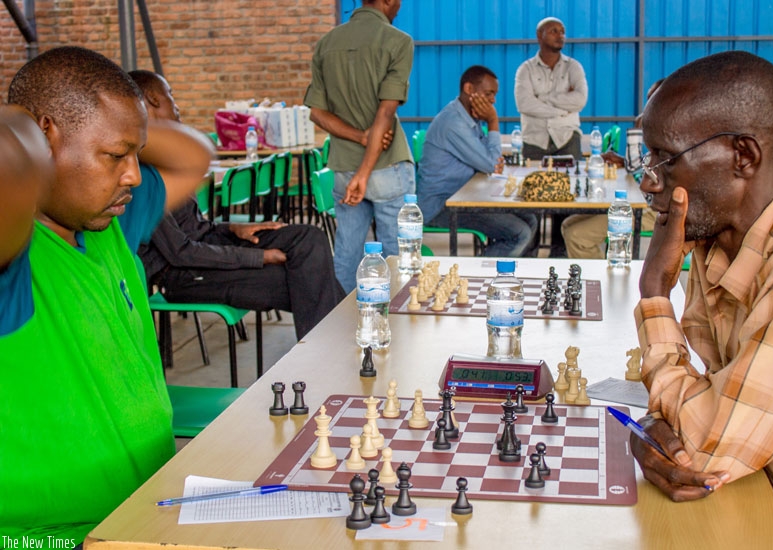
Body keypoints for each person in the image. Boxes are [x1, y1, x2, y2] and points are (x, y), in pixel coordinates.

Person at [0, 46, 213, 546]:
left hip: (148, 512)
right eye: (116, 156)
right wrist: (31, 132)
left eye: (136, 154)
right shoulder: (14, 259)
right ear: (44, 139)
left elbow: (194, 155)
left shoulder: (109, 222)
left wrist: (124, 127)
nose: (134, 175)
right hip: (50, 537)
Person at [631, 50, 773, 549]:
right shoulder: (720, 239)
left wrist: (655, 295)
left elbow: (702, 446)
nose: (649, 181)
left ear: (744, 155)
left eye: (665, 159)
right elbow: (701, 415)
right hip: (768, 495)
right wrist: (655, 428)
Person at [131, 70, 345, 341]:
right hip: (182, 275)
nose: (177, 105)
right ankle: (338, 347)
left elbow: (198, 229)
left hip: (207, 249)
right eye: (170, 96)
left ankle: (340, 342)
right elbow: (181, 253)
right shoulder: (140, 174)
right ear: (151, 100)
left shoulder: (167, 162)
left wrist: (235, 228)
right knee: (300, 280)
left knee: (310, 238)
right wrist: (259, 257)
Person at [304, 0, 415, 293]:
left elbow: (317, 112)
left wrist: (360, 137)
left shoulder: (327, 43)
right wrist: (365, 171)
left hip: (343, 168)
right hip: (386, 167)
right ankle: (398, 330)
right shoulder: (398, 41)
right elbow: (385, 114)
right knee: (397, 257)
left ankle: (336, 328)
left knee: (347, 255)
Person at [416, 65, 538, 257]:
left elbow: (493, 162)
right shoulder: (453, 123)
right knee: (519, 233)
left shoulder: (469, 119)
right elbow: (491, 164)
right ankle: (476, 277)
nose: (493, 100)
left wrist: (492, 161)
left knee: (529, 218)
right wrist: (493, 122)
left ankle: (518, 272)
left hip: (463, 198)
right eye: (489, 93)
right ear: (469, 89)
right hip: (442, 206)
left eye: (494, 95)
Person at [560, 79, 664, 259]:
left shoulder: (671, 135)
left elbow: (638, 167)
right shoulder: (663, 131)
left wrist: (636, 131)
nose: (649, 108)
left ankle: (599, 281)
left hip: (653, 211)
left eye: (654, 102)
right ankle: (595, 267)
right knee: (568, 224)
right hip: (645, 205)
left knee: (576, 235)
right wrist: (624, 161)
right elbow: (647, 169)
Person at [514, 16, 588, 161]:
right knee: (533, 181)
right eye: (554, 31)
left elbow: (580, 100)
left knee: (571, 182)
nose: (560, 36)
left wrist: (542, 98)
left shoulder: (573, 67)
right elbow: (524, 104)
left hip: (567, 139)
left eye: (562, 32)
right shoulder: (525, 70)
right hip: (534, 141)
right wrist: (562, 111)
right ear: (539, 36)